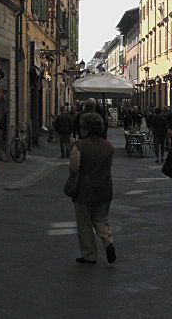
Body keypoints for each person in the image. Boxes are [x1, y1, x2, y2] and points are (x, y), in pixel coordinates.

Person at [69, 112, 116, 265]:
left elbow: (74, 167)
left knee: (84, 223)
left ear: (85, 128)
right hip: (105, 188)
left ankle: (89, 254)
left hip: (84, 189)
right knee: (101, 218)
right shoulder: (108, 146)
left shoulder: (80, 145)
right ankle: (108, 241)